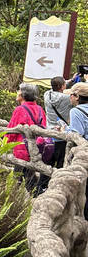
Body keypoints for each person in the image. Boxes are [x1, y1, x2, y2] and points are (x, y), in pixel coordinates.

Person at [6, 83, 48, 195]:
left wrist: (4, 144)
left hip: (22, 149)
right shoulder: (40, 109)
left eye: (19, 90)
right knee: (25, 176)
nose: (17, 93)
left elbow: (12, 130)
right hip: (37, 147)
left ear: (23, 94)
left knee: (24, 178)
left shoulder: (20, 109)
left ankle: (38, 197)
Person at [62, 81, 88, 218]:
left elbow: (77, 133)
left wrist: (65, 131)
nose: (69, 97)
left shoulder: (76, 111)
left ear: (77, 97)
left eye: (71, 95)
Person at [44, 75, 71, 167]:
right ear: (62, 86)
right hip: (62, 135)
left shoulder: (47, 95)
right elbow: (79, 93)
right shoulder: (66, 98)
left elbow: (55, 87)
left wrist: (70, 81)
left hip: (49, 135)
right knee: (61, 165)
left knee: (47, 165)